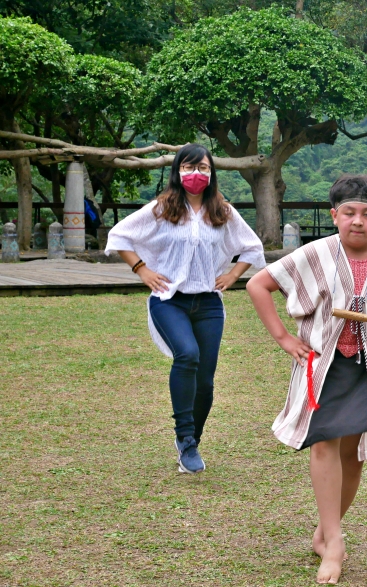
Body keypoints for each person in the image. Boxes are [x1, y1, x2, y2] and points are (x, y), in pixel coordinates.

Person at [246, 174, 367, 585]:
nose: (358, 221)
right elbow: (259, 284)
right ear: (334, 215)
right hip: (322, 364)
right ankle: (334, 543)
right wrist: (283, 337)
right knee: (325, 446)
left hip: (362, 367)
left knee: (353, 454)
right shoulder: (315, 254)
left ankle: (325, 530)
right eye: (349, 212)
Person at [106, 144, 265, 474]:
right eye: (189, 167)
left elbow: (252, 246)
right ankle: (187, 441)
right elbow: (119, 235)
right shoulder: (162, 208)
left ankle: (190, 442)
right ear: (177, 171)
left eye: (203, 168)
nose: (196, 174)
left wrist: (233, 274)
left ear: (211, 173)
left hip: (208, 303)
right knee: (187, 355)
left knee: (205, 382)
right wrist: (142, 269)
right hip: (168, 300)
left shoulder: (222, 211)